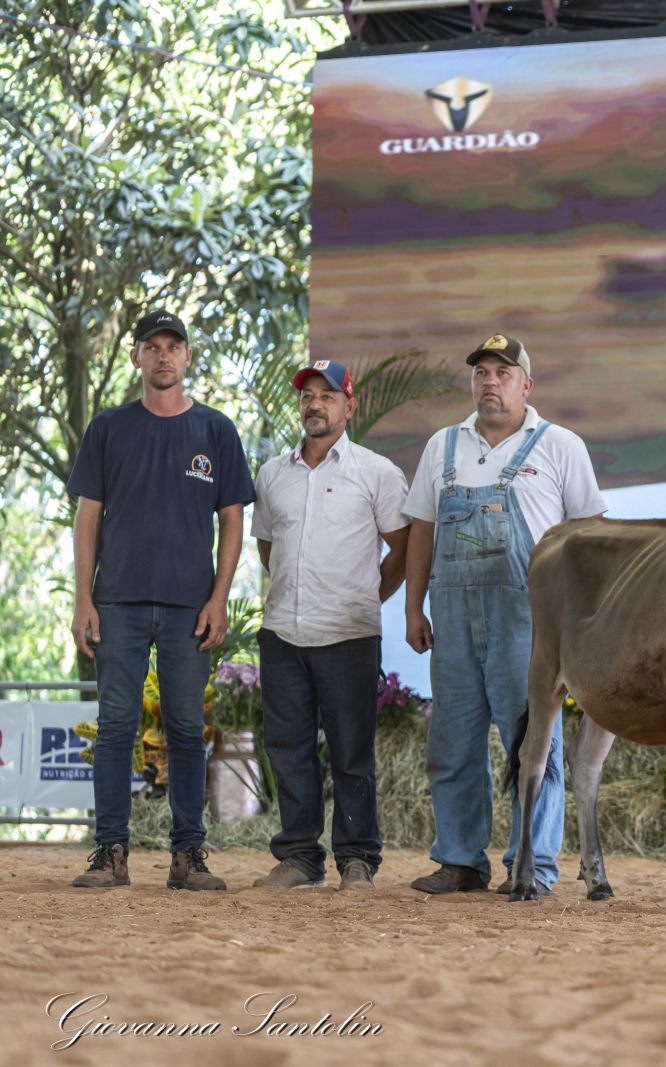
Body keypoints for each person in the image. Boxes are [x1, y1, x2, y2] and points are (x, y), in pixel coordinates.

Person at [404, 334, 606, 895]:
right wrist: (413, 607)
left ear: (526, 385)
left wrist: (583, 622)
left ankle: (532, 866)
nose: (490, 381)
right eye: (481, 373)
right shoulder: (442, 446)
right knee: (453, 744)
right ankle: (460, 861)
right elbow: (421, 530)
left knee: (534, 744)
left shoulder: (560, 445)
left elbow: (591, 536)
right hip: (452, 620)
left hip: (530, 623)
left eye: (503, 372)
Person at [67, 309, 254, 890]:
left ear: (188, 357)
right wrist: (82, 599)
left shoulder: (216, 430)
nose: (164, 355)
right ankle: (110, 852)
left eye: (174, 346)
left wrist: (219, 598)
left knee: (187, 729)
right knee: (115, 727)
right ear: (136, 357)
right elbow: (87, 518)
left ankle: (188, 855)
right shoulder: (108, 428)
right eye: (153, 346)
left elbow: (232, 522)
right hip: (117, 603)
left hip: (189, 608)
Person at [250, 360, 410, 891]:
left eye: (327, 396)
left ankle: (357, 859)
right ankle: (300, 857)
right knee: (287, 749)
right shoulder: (273, 475)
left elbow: (403, 548)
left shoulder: (377, 472)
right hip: (282, 633)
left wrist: (367, 596)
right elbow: (269, 547)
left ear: (349, 406)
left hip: (350, 634)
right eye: (307, 396)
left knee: (352, 752)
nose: (314, 404)